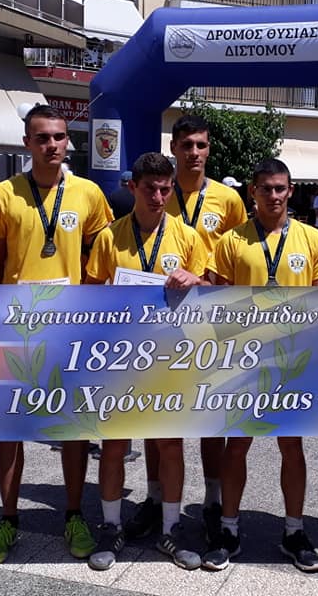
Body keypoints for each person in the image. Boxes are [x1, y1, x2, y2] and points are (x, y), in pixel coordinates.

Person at [0, 104, 113, 566]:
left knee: (73, 426)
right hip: (18, 325)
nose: (51, 145)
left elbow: (101, 254)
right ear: (27, 143)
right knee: (10, 425)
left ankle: (74, 514)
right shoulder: (2, 195)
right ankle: (7, 518)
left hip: (71, 326)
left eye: (58, 136)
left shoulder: (89, 193)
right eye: (42, 137)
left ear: (67, 141)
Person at [203, 158, 318, 572]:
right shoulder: (231, 241)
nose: (274, 196)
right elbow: (216, 300)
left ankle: (294, 531)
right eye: (266, 188)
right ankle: (228, 529)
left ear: (291, 190)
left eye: (281, 188)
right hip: (245, 359)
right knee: (237, 444)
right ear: (253, 192)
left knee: (291, 445)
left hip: (293, 361)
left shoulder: (314, 240)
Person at [125, 114, 246, 543]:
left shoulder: (228, 200)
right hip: (159, 320)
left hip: (209, 317)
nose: (194, 152)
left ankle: (212, 501)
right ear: (173, 149)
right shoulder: (159, 190)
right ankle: (155, 497)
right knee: (156, 416)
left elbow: (235, 257)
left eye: (201, 145)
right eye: (186, 145)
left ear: (208, 149)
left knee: (211, 416)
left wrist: (205, 281)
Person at [85, 152, 207, 571]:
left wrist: (196, 279)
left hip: (169, 356)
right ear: (132, 187)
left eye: (165, 189)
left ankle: (171, 530)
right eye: (150, 188)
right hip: (120, 356)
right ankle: (111, 527)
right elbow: (90, 292)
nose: (157, 197)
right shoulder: (109, 237)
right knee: (114, 445)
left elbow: (210, 290)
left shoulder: (187, 237)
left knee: (170, 444)